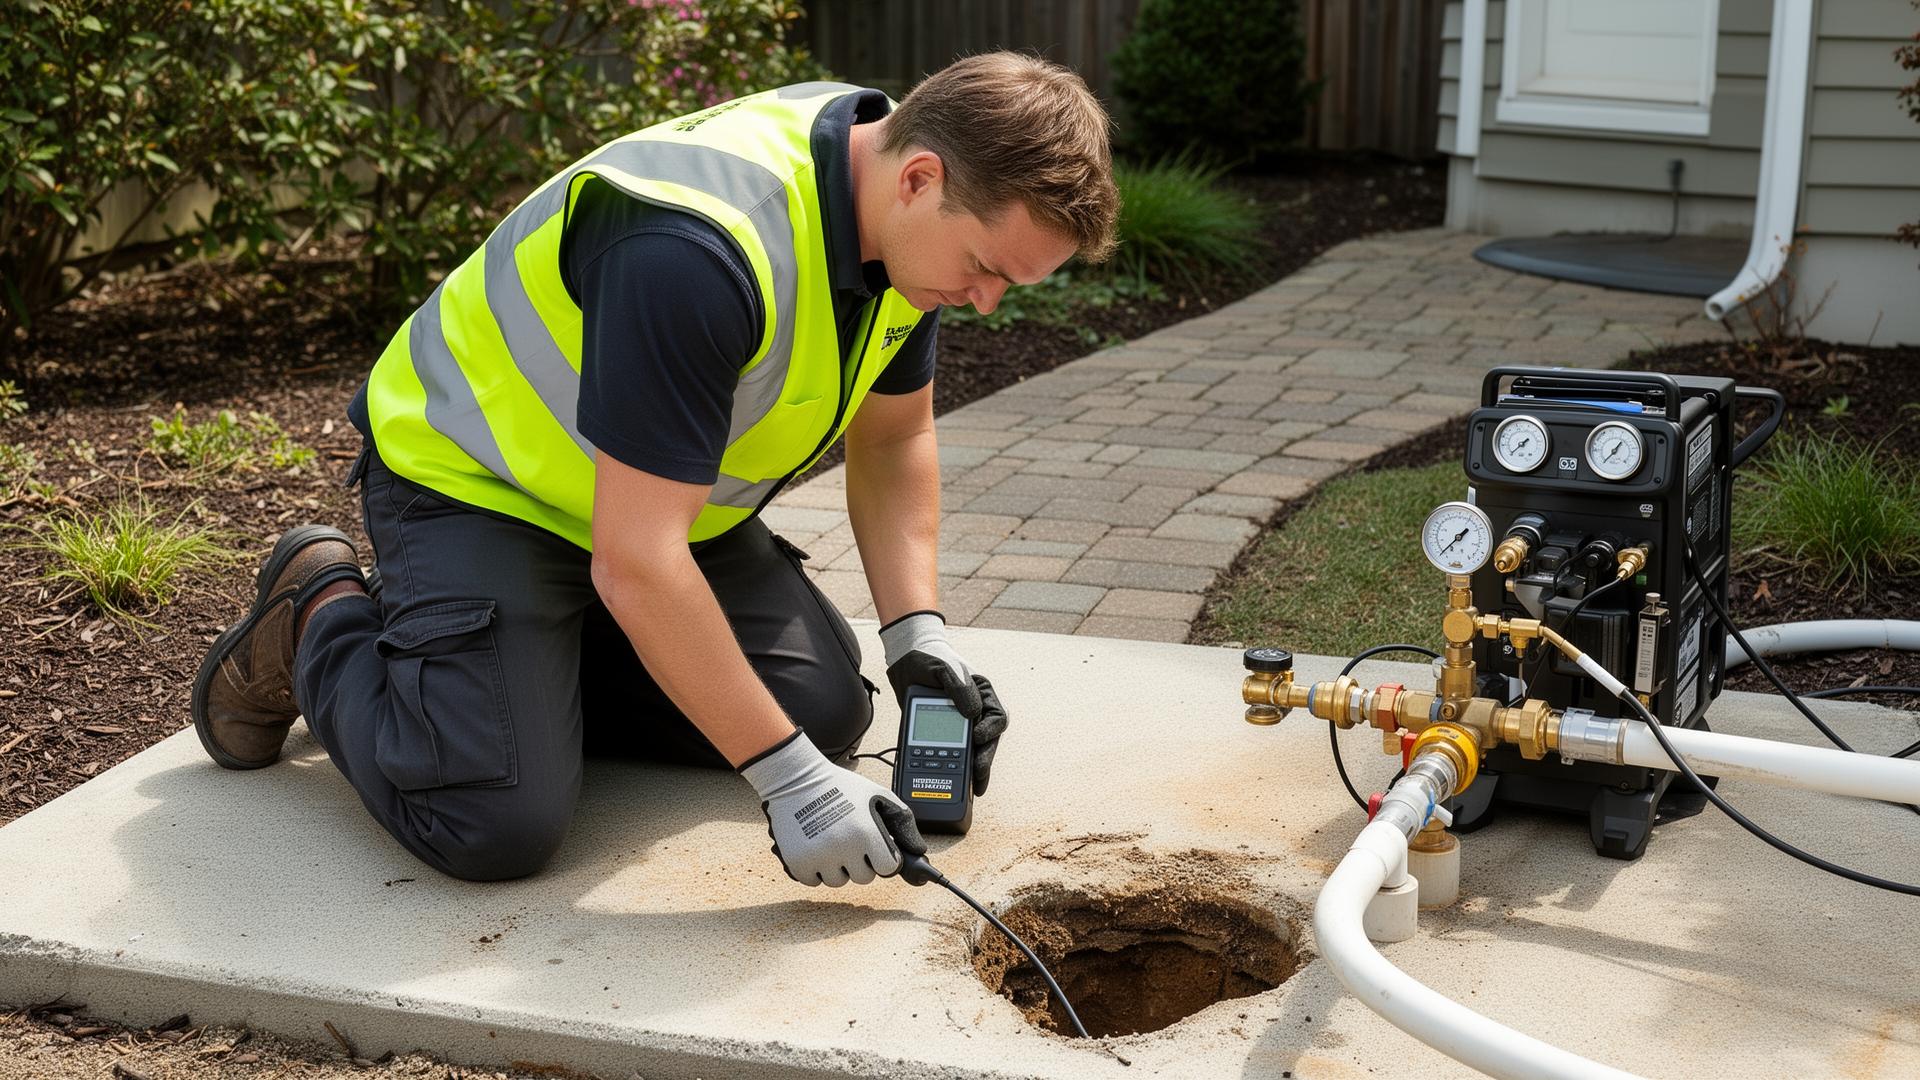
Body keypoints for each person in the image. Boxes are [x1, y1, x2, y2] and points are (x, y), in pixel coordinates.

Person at [188, 53, 1120, 885]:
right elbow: (638, 561)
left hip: (645, 513)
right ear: (922, 178)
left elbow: (894, 440)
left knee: (822, 708)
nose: (987, 301)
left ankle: (511, 677)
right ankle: (320, 614)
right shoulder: (695, 252)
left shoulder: (893, 198)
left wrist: (919, 638)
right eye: (987, 268)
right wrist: (789, 784)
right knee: (493, 821)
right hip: (482, 489)